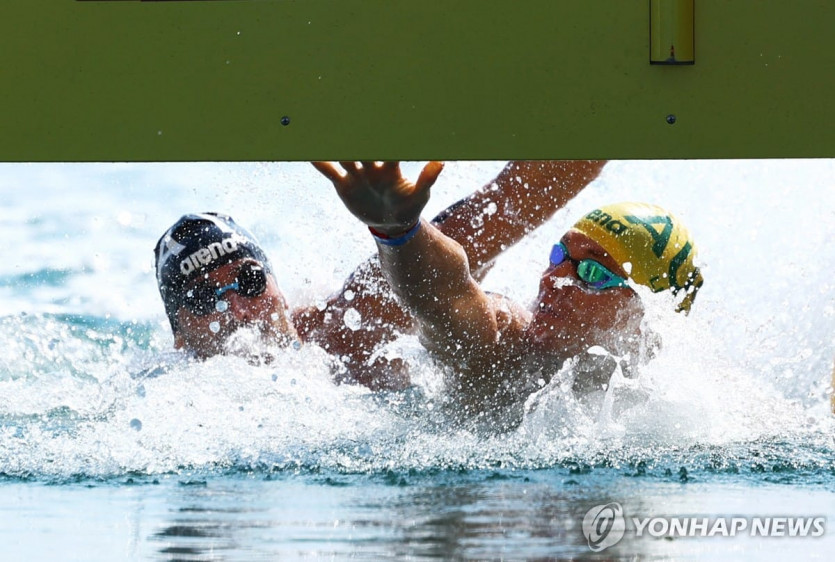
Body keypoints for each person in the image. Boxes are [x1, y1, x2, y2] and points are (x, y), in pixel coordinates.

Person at [315, 161, 704, 430]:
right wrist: (397, 229)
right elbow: (449, 299)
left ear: (644, 313)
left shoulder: (685, 406)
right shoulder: (510, 345)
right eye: (559, 256)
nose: (554, 279)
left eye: (592, 272)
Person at [154, 161, 607, 390]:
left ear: (278, 289)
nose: (236, 308)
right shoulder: (158, 402)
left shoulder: (356, 320)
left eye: (250, 282)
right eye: (202, 300)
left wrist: (395, 229)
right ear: (178, 337)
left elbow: (508, 205)